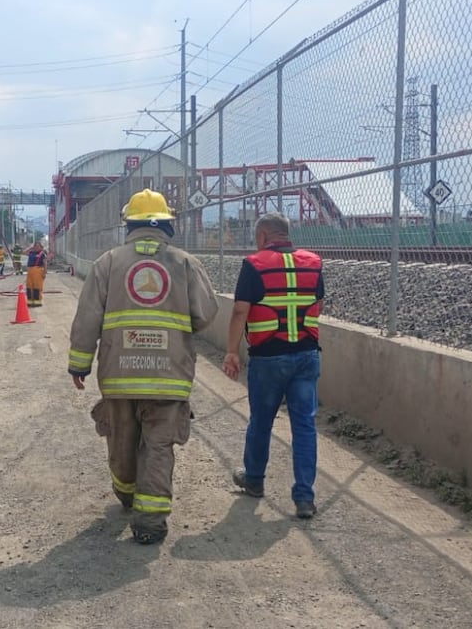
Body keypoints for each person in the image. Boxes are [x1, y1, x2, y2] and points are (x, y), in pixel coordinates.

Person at [69, 188, 218, 545]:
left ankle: (126, 493)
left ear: (128, 225)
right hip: (169, 377)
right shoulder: (184, 263)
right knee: (159, 446)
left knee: (121, 441)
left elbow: (88, 317)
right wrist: (175, 329)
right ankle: (150, 522)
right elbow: (206, 313)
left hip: (120, 374)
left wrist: (80, 363)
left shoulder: (108, 262)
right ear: (167, 225)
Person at [221, 212, 324, 520]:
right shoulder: (314, 262)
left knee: (261, 421)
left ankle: (254, 479)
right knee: (304, 426)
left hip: (268, 358)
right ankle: (305, 497)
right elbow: (317, 303)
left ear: (263, 236)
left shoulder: (254, 264)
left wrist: (231, 352)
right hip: (307, 355)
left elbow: (241, 310)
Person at [24, 241, 48, 307]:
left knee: (37, 287)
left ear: (41, 247)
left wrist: (44, 272)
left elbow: (45, 263)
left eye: (38, 246)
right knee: (29, 286)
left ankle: (37, 302)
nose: (36, 247)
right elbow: (24, 252)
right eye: (35, 246)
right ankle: (30, 301)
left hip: (38, 271)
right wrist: (30, 247)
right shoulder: (31, 252)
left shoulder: (42, 254)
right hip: (30, 271)